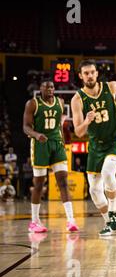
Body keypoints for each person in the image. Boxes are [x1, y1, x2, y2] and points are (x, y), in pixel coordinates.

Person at [71, 59, 116, 236]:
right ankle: (110, 223)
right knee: (94, 191)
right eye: (86, 73)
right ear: (81, 76)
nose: (89, 76)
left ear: (97, 73)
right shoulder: (77, 99)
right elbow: (79, 132)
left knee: (108, 173)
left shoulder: (110, 87)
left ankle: (113, 210)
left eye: (92, 72)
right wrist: (87, 121)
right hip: (96, 146)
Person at [23, 81, 79, 233]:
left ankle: (71, 220)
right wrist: (36, 134)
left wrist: (62, 138)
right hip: (40, 145)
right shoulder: (33, 104)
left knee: (63, 182)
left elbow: (59, 124)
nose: (50, 89)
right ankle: (34, 222)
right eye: (46, 87)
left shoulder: (60, 102)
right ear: (40, 89)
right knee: (39, 184)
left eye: (52, 87)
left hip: (56, 144)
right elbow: (26, 126)